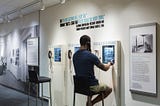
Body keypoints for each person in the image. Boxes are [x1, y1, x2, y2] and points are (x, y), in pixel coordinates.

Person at [73, 35, 113, 106]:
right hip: (90, 86)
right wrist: (109, 63)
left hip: (80, 86)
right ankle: (91, 103)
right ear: (88, 43)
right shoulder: (90, 55)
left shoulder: (74, 55)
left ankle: (89, 102)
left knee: (89, 82)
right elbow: (105, 68)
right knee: (109, 89)